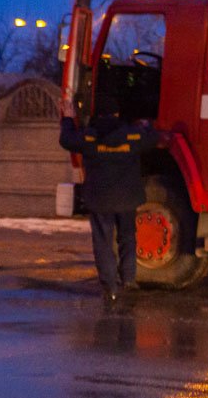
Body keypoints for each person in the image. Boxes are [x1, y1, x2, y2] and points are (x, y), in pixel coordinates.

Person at [60, 94, 166, 305]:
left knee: (103, 243)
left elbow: (66, 140)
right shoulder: (132, 136)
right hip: (127, 199)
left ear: (97, 113)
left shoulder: (88, 137)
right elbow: (154, 139)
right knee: (127, 238)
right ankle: (128, 280)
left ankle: (110, 287)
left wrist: (68, 118)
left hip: (100, 200)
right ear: (117, 114)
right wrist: (146, 125)